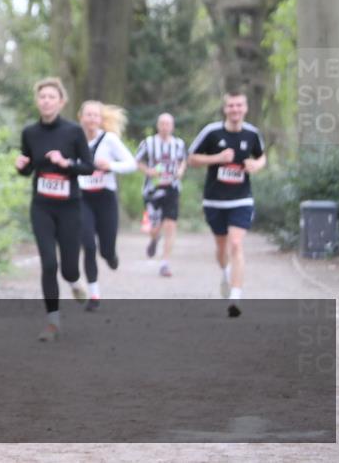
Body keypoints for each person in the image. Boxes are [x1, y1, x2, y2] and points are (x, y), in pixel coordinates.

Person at [15, 78, 95, 341]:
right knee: (49, 264)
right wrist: (22, 166)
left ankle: (74, 282)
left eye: (52, 97)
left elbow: (88, 167)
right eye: (42, 97)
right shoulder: (30, 133)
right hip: (42, 207)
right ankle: (53, 322)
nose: (46, 101)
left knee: (69, 268)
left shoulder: (73, 131)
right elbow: (29, 169)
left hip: (70, 207)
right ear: (37, 101)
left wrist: (65, 162)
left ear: (61, 102)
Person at [187, 92, 266, 318]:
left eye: (239, 105)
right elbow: (191, 158)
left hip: (241, 198)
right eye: (231, 105)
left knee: (236, 244)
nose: (235, 109)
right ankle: (225, 272)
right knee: (222, 248)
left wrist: (256, 165)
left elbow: (262, 157)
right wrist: (217, 158)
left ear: (246, 108)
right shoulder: (211, 132)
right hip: (214, 199)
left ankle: (236, 297)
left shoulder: (252, 133)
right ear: (225, 109)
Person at [76, 100, 137, 311]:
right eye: (88, 115)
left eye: (96, 115)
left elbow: (131, 164)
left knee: (105, 249)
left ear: (101, 120)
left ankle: (111, 256)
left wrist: (110, 165)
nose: (92, 119)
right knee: (88, 246)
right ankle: (94, 295)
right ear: (80, 117)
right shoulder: (74, 139)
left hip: (105, 198)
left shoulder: (109, 140)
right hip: (82, 198)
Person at [135, 113, 187, 277]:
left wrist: (180, 171)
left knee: (171, 224)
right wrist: (148, 171)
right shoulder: (148, 143)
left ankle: (165, 263)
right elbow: (137, 161)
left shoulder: (178, 144)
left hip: (172, 188)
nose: (165, 127)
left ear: (172, 126)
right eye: (162, 124)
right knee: (155, 226)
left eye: (168, 124)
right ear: (158, 125)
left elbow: (183, 160)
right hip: (152, 190)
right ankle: (154, 239)